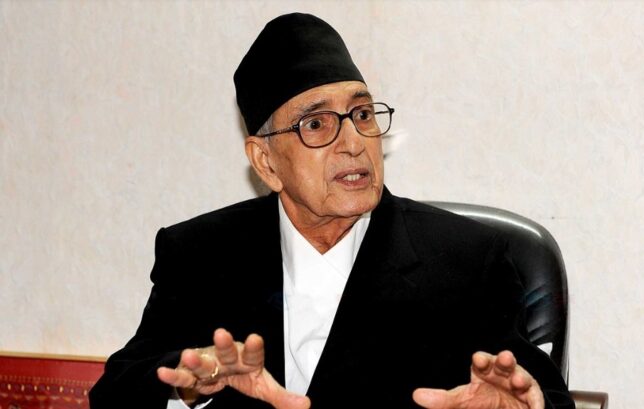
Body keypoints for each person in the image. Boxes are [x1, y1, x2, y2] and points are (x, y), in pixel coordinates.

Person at [90, 13, 574, 409]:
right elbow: (114, 394)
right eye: (317, 124)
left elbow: (544, 396)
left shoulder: (467, 260)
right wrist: (191, 385)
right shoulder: (201, 253)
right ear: (266, 162)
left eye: (362, 115)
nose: (354, 143)